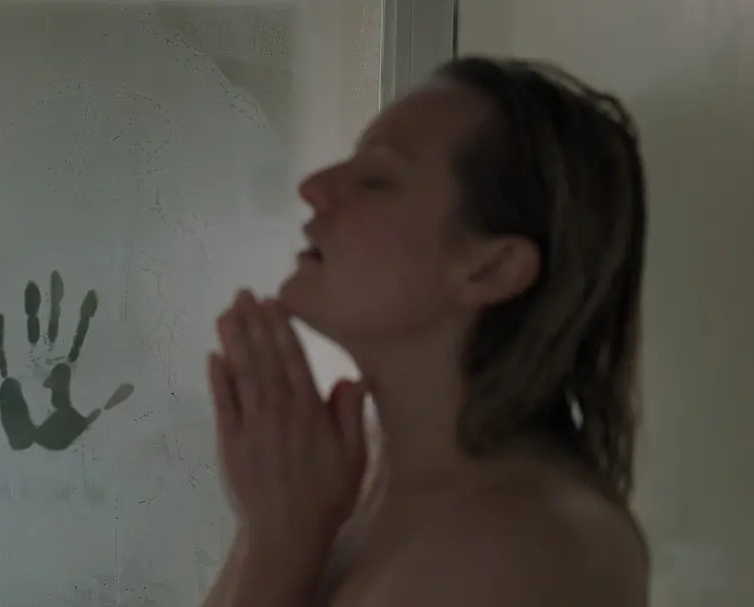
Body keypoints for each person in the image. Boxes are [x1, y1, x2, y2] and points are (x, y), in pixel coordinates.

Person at [202, 56, 649, 607]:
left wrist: (280, 546)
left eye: (376, 180)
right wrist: (275, 526)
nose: (314, 187)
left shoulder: (533, 547)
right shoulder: (338, 487)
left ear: (491, 269)